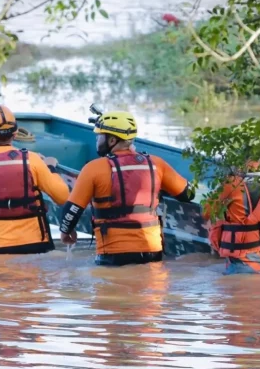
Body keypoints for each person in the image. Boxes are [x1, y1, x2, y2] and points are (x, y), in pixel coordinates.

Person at [59, 110, 195, 266]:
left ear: (111, 141)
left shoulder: (93, 169)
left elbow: (72, 210)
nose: (96, 140)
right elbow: (188, 194)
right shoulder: (156, 164)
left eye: (99, 137)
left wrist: (65, 232)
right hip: (152, 252)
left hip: (112, 254)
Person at [0, 99, 70, 254]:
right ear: (15, 134)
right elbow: (63, 196)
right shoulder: (32, 160)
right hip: (36, 246)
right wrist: (50, 167)